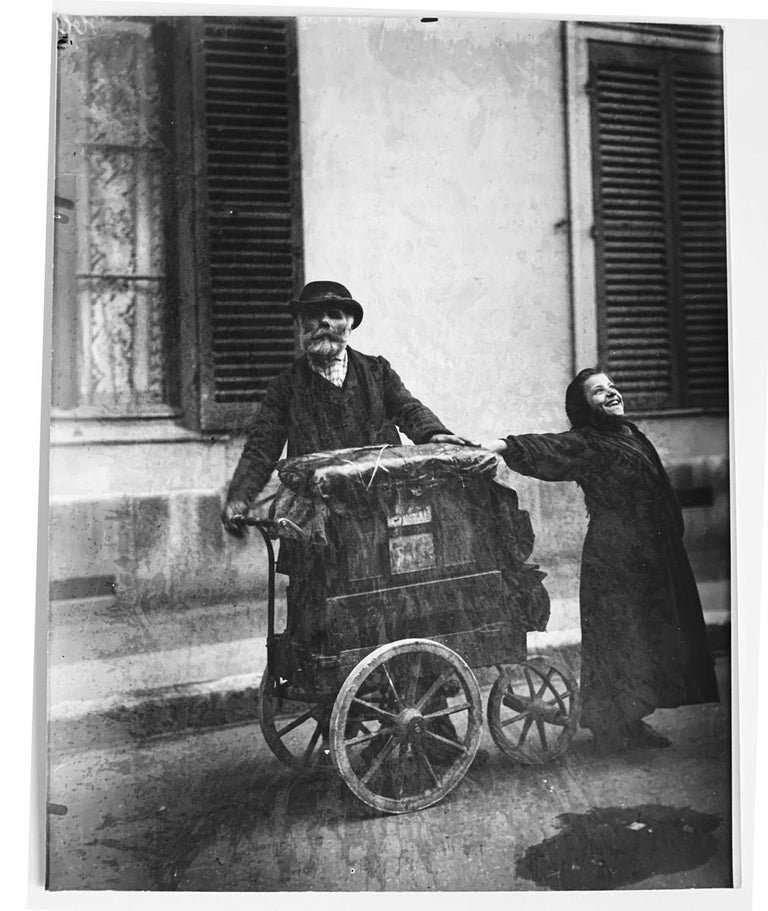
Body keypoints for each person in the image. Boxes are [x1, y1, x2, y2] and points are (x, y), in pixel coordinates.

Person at [478, 367, 719, 754]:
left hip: (651, 553)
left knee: (644, 637)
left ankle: (633, 721)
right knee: (617, 639)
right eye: (597, 392)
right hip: (616, 556)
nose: (610, 394)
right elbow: (551, 447)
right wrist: (503, 445)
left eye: (611, 387)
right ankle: (610, 729)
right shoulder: (589, 443)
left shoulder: (630, 434)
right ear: (583, 407)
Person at [221, 279, 468, 531]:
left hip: (380, 506)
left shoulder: (377, 372)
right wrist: (239, 498)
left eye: (335, 315)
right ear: (299, 324)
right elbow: (261, 448)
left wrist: (434, 432)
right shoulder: (284, 386)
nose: (324, 322)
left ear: (350, 325)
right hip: (316, 516)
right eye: (314, 315)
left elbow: (408, 409)